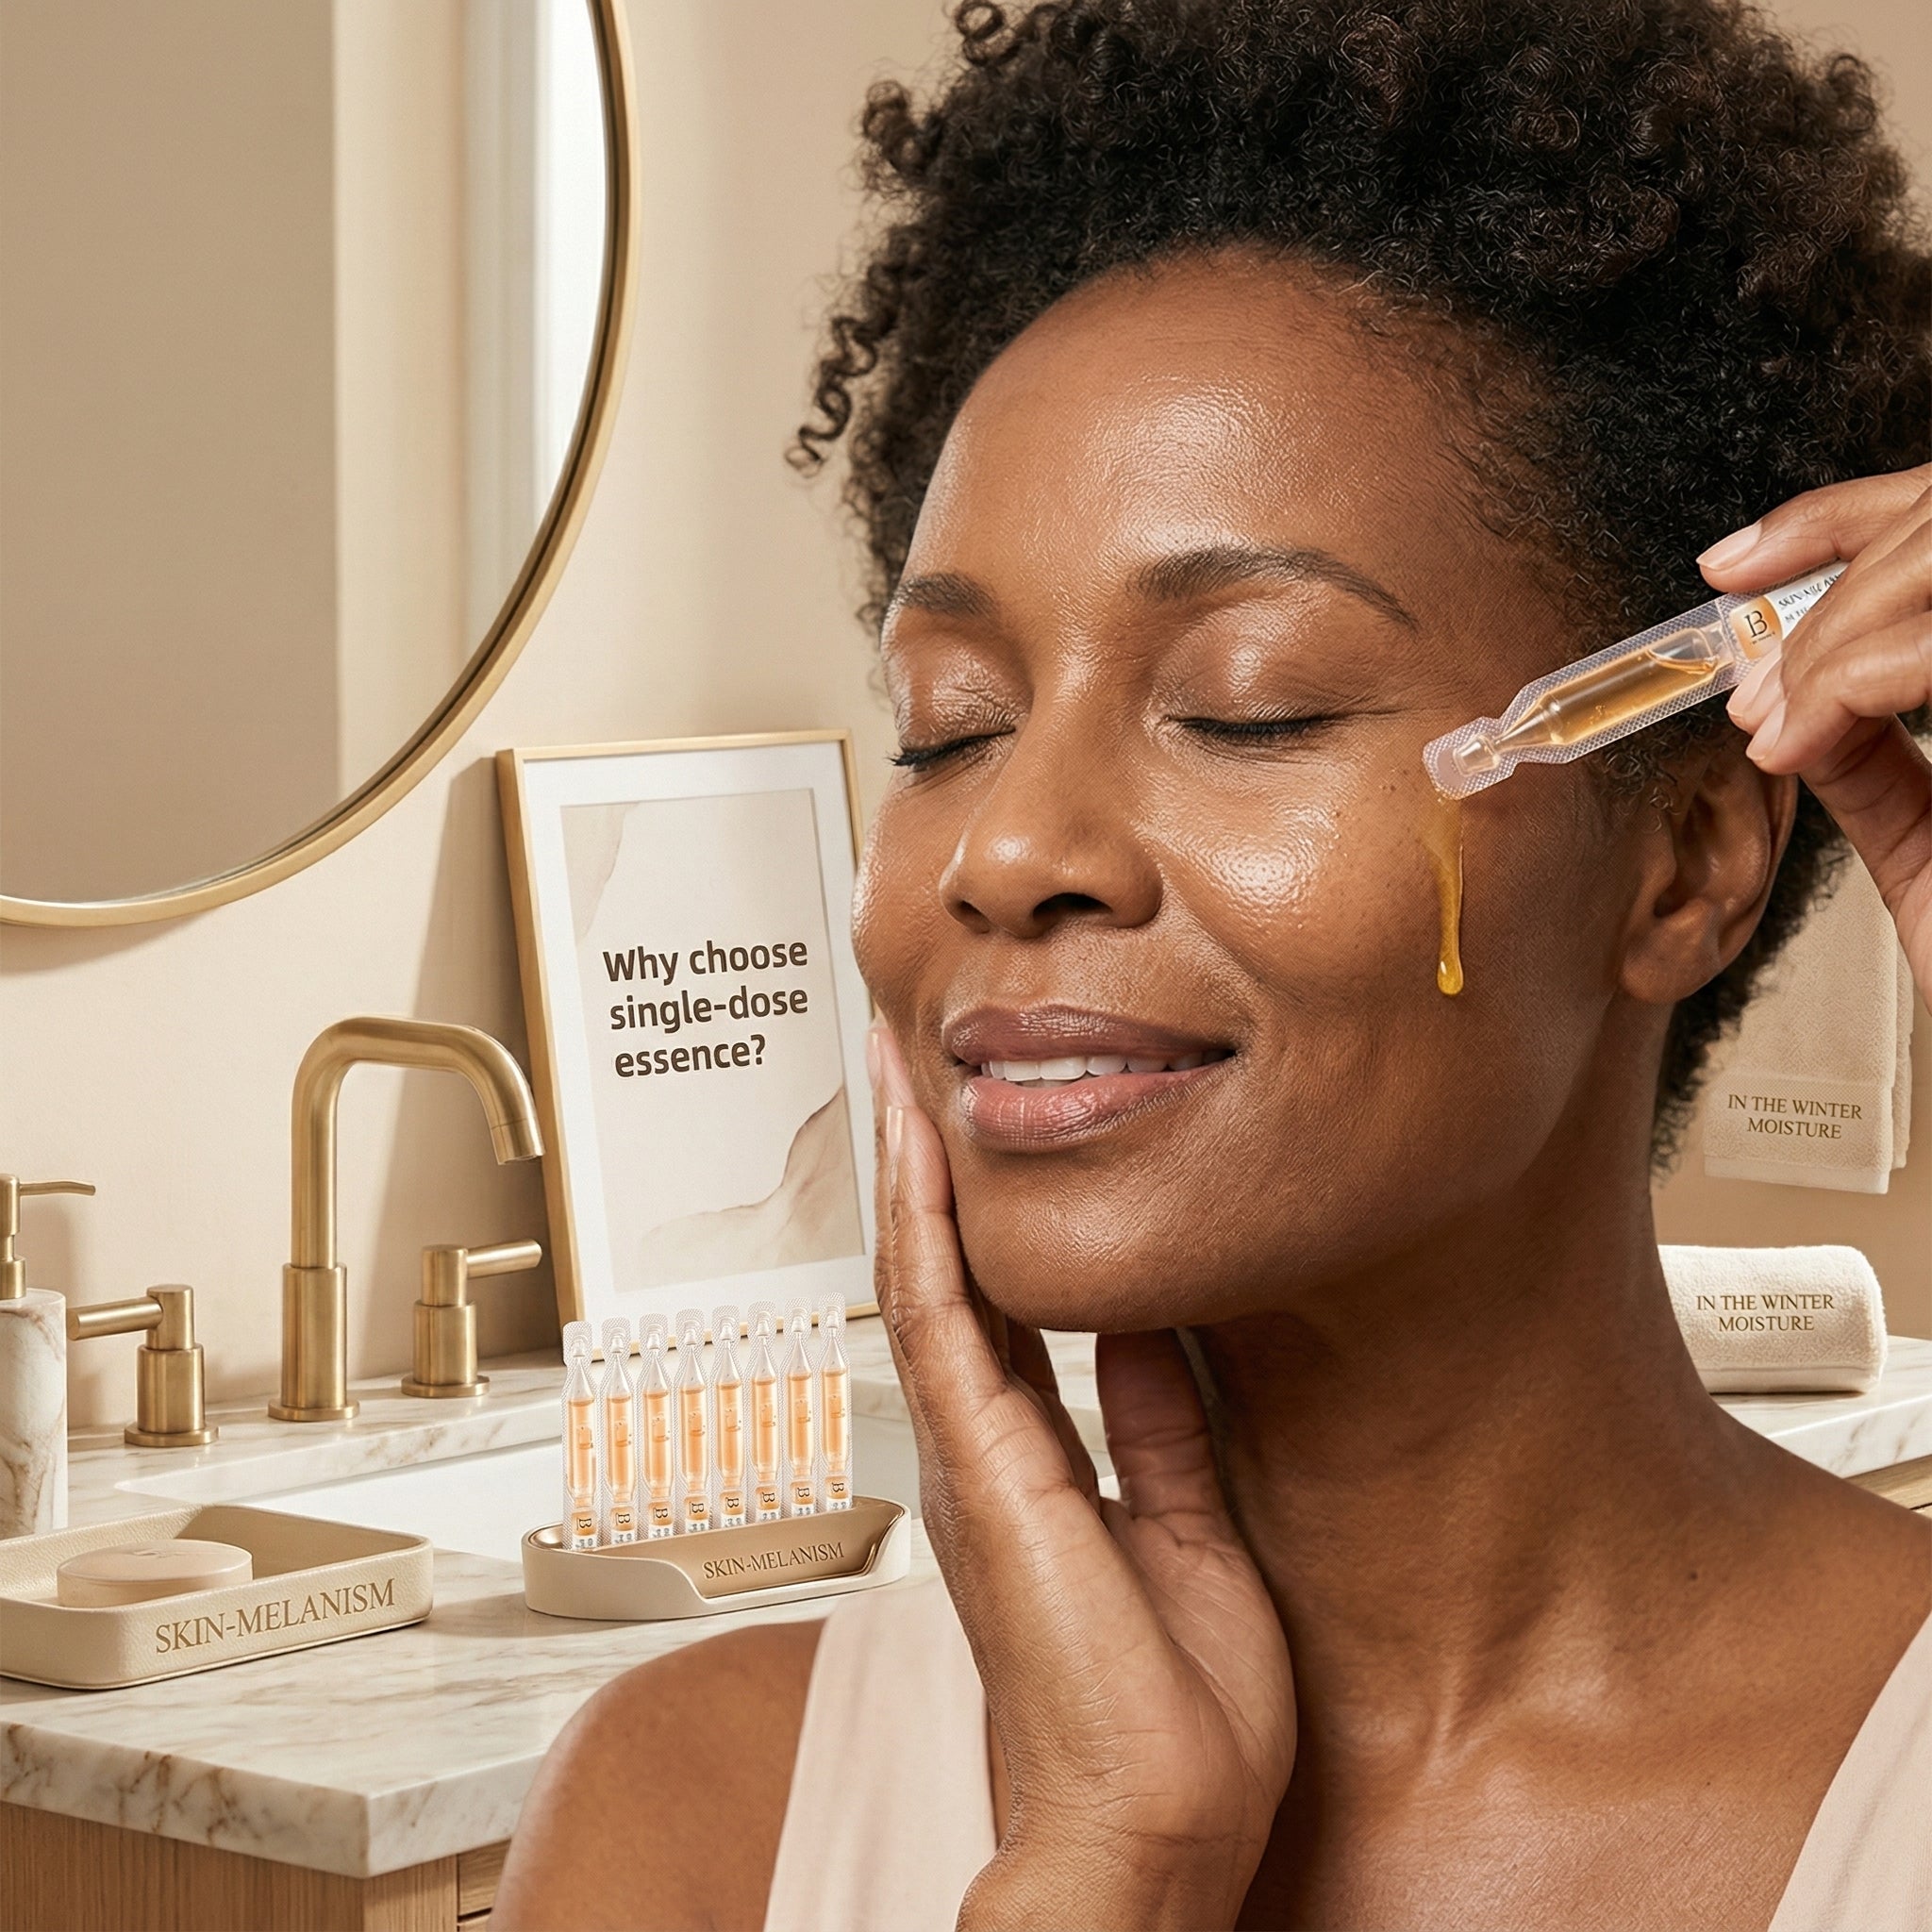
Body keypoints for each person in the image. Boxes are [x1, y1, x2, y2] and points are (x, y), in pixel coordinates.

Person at [494, 3, 1931, 1926]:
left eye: (1245, 708)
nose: (1005, 849)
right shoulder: (697, 1813)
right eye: (947, 724)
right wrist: (1112, 1870)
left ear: (1679, 859)